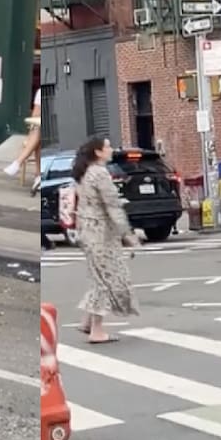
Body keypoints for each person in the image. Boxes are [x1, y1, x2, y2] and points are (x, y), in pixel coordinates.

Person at [74, 135, 140, 344]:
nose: (111, 150)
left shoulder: (85, 173)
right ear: (98, 152)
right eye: (108, 147)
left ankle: (87, 322)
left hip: (88, 231)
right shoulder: (100, 174)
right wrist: (127, 235)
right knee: (107, 280)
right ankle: (97, 330)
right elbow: (113, 207)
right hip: (101, 234)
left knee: (99, 277)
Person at [5, 86, 42, 178]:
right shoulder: (40, 92)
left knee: (38, 137)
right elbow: (35, 115)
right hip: (39, 130)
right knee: (38, 137)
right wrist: (30, 132)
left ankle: (18, 163)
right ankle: (38, 176)